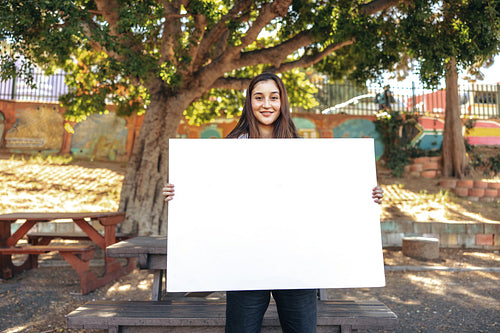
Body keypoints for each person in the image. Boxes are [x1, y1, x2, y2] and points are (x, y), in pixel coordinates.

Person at [162, 72, 384, 333]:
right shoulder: (229, 150)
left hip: (296, 262)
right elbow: (213, 197)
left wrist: (365, 195)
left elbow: (324, 197)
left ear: (283, 102)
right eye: (259, 97)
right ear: (249, 102)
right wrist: (180, 194)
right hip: (245, 261)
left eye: (273, 97)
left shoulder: (302, 149)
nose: (266, 104)